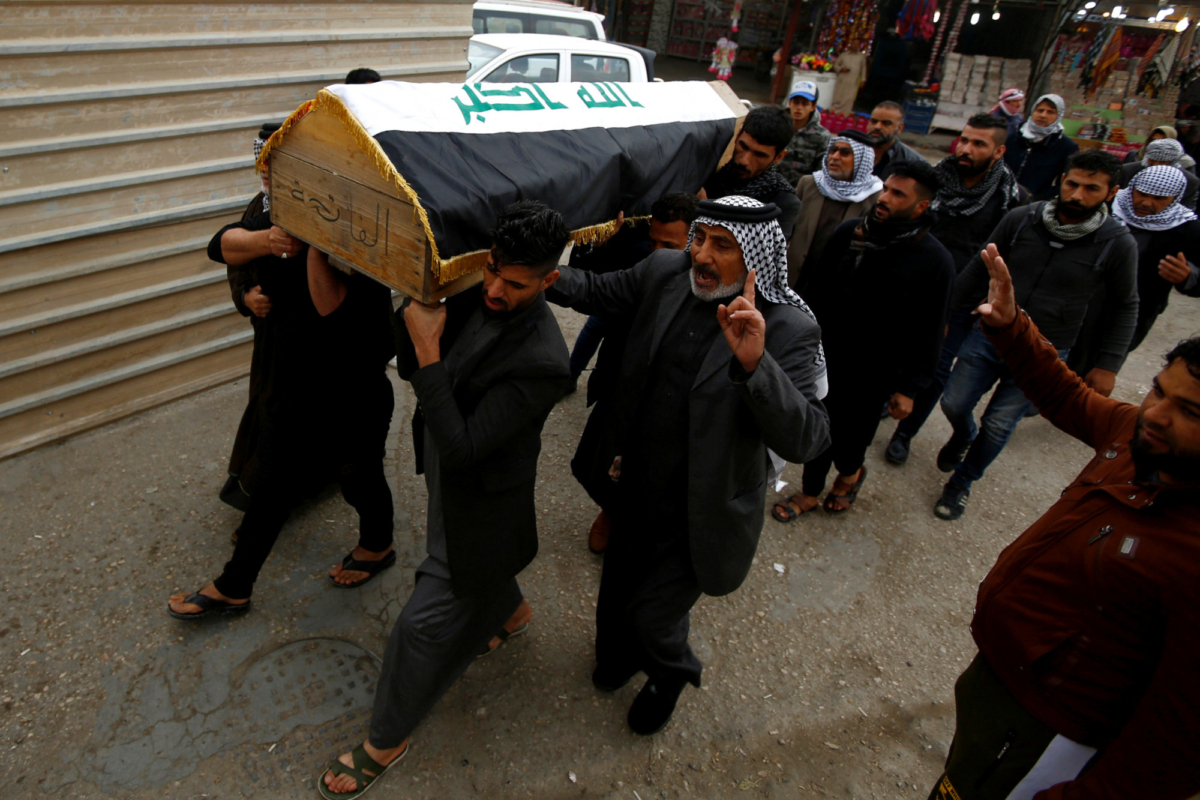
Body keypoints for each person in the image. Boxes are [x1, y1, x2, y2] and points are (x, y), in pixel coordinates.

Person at [547, 195, 830, 736]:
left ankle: (672, 674)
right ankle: (616, 661)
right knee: (617, 593)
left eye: (721, 246)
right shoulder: (665, 270)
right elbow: (599, 291)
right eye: (700, 238)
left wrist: (756, 365)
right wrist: (541, 273)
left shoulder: (789, 328)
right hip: (632, 482)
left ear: (756, 256)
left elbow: (808, 439)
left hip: (701, 506)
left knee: (654, 615)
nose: (701, 255)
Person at [927, 243, 1200, 800]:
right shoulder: (1137, 437)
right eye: (1157, 391)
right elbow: (1065, 394)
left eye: (1189, 412)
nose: (1155, 414)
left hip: (1047, 730)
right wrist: (1011, 326)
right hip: (1001, 681)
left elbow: (1175, 740)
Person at [319, 201, 573, 797]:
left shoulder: (544, 363)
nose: (494, 289)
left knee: (418, 626)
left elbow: (464, 450)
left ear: (550, 282)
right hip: (445, 461)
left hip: (481, 486)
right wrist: (414, 313)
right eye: (492, 272)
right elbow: (413, 360)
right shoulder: (474, 290)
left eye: (514, 285)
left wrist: (428, 347)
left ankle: (385, 739)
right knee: (457, 542)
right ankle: (510, 612)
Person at [170, 216, 396, 619]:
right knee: (272, 482)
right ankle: (234, 586)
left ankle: (378, 545)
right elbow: (222, 246)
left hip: (352, 388)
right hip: (291, 379)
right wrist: (259, 258)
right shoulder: (276, 203)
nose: (270, 180)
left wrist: (313, 242)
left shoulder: (363, 224)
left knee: (359, 477)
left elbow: (334, 311)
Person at [932, 149, 1138, 521]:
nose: (1077, 195)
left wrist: (1109, 364)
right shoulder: (1022, 219)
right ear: (1061, 179)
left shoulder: (1116, 243)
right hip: (991, 333)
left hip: (1048, 349)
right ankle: (963, 435)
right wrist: (946, 316)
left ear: (1112, 192)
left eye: (1091, 188)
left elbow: (1126, 305)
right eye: (1072, 183)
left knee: (998, 425)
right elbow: (980, 268)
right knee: (954, 402)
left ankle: (962, 481)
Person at [773, 162, 953, 520]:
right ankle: (810, 491)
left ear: (921, 206)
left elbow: (931, 329)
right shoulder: (850, 234)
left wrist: (911, 388)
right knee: (818, 426)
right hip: (827, 356)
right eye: (886, 188)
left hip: (876, 371)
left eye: (897, 194)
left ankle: (850, 475)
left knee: (853, 437)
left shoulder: (936, 261)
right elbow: (816, 288)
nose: (884, 198)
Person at [885, 113, 1029, 465]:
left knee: (935, 369)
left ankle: (905, 434)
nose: (966, 148)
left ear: (998, 151)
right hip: (913, 284)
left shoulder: (1012, 200)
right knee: (894, 351)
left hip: (963, 302)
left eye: (978, 143)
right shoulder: (934, 180)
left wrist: (956, 308)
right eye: (964, 139)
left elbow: (1002, 260)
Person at [569, 193, 699, 554]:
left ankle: (621, 520)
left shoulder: (705, 283)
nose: (657, 251)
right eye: (653, 241)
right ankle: (610, 510)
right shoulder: (642, 257)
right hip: (620, 378)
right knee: (597, 458)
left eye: (668, 245)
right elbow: (591, 283)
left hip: (665, 400)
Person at [1068, 165, 1200, 378]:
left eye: (1159, 198)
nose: (1146, 203)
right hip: (1077, 298)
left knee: (1097, 368)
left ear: (1175, 198)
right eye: (1142, 194)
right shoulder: (1107, 206)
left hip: (1133, 310)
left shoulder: (1186, 229)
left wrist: (1188, 277)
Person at [786, 131, 884, 293]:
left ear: (861, 160)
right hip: (794, 278)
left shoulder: (874, 196)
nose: (835, 157)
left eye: (845, 153)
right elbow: (788, 228)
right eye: (833, 150)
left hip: (835, 286)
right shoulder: (810, 184)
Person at [702, 105, 802, 237]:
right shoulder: (710, 173)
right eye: (743, 146)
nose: (744, 160)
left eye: (759, 155)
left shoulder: (782, 202)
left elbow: (764, 255)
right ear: (738, 135)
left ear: (778, 157)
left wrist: (704, 209)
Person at [1003, 93, 1079, 200]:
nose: (1043, 115)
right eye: (1040, 110)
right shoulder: (1012, 138)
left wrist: (1038, 198)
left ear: (1059, 116)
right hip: (1000, 198)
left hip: (1032, 206)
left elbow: (1065, 183)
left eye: (1050, 112)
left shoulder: (1066, 146)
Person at [1117, 137, 1200, 210]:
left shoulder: (1189, 181)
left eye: (1162, 162)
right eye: (1152, 160)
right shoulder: (1127, 170)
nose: (1156, 165)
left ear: (1174, 161)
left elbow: (1184, 209)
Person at [777, 80, 832, 186]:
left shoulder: (821, 136)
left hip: (801, 191)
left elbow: (821, 173)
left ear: (813, 107)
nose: (799, 107)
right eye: (796, 102)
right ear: (789, 103)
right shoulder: (776, 126)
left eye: (805, 104)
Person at [866, 101, 924, 178]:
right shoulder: (851, 151)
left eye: (886, 123)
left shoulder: (912, 162)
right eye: (874, 121)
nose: (877, 126)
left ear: (899, 128)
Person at [1122, 124, 1198, 173]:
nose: (1156, 144)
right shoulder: (1135, 155)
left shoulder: (1185, 162)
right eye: (1153, 140)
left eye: (1162, 141)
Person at [830, 43, 867, 115]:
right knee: (839, 95)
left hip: (853, 80)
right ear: (850, 45)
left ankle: (845, 114)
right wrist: (841, 68)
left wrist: (863, 79)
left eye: (856, 44)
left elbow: (863, 69)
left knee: (850, 97)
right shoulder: (843, 55)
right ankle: (833, 112)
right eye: (854, 44)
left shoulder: (861, 57)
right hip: (842, 79)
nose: (855, 45)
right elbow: (836, 65)